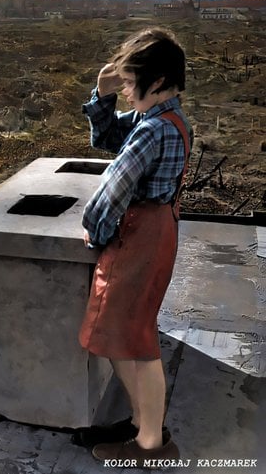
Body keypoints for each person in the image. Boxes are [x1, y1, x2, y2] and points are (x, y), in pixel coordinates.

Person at [73, 27, 193, 467]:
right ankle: (146, 424)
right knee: (129, 337)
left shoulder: (152, 131)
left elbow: (113, 187)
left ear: (157, 82)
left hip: (139, 240)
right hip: (159, 234)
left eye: (129, 82)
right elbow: (107, 139)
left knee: (135, 343)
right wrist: (101, 94)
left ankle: (150, 446)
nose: (124, 90)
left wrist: (95, 231)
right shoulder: (168, 120)